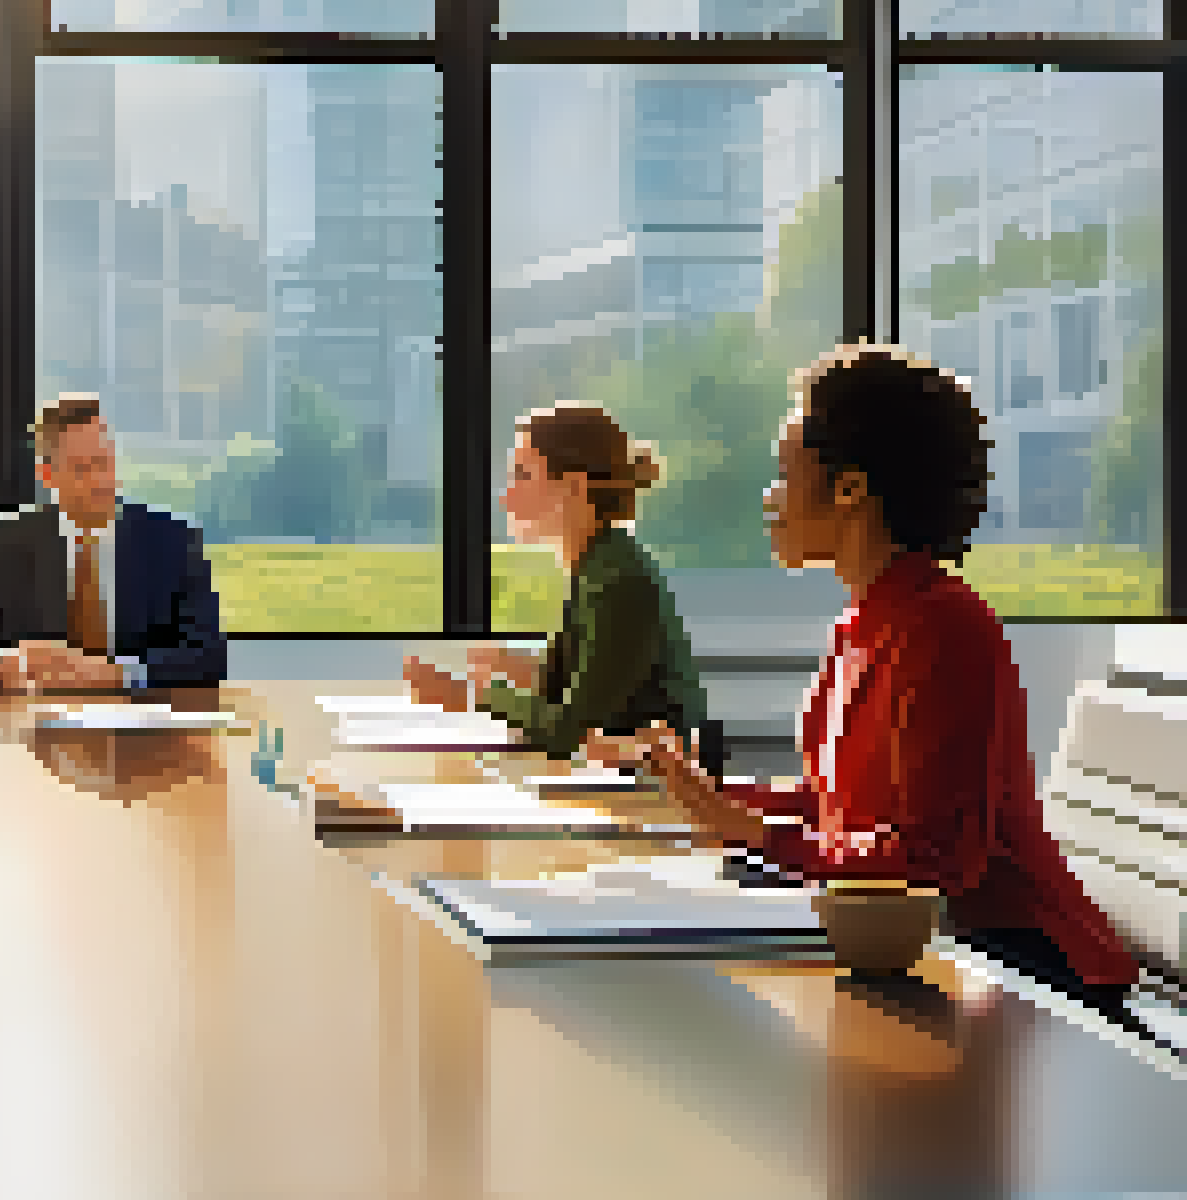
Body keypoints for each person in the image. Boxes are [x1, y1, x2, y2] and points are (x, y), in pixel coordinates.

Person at [586, 343, 1140, 1011]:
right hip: (924, 947)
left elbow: (935, 860)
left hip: (1024, 971)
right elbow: (835, 808)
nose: (770, 498)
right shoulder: (861, 622)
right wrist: (708, 795)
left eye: (784, 473)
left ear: (850, 488)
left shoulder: (946, 629)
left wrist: (759, 835)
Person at [401, 405, 719, 776]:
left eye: (523, 475)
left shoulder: (616, 581)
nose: (506, 497)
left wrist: (473, 697)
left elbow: (569, 730)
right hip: (625, 775)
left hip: (661, 791)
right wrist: (507, 666)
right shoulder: (597, 565)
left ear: (574, 487)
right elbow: (570, 685)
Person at [0, 392, 227, 692]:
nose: (100, 480)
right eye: (82, 469)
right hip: (33, 717)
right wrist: (2, 666)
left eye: (104, 462)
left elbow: (209, 656)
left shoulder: (174, 541)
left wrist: (115, 674)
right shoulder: (0, 543)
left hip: (140, 716)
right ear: (47, 475)